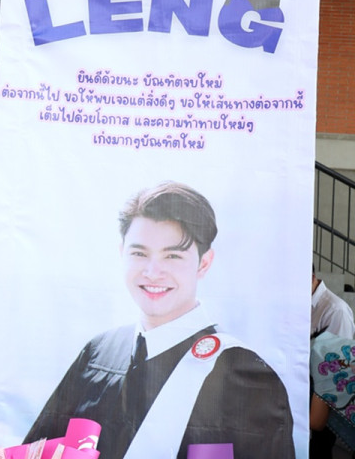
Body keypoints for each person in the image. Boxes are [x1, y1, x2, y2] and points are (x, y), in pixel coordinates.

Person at [24, 181, 295, 458]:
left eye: (172, 256)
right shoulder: (99, 352)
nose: (153, 272)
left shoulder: (245, 376)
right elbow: (38, 449)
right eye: (139, 253)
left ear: (204, 263)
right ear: (122, 253)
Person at [309, 264, 355, 457]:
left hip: (325, 399)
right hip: (314, 391)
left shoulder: (336, 311)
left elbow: (337, 369)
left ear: (311, 278)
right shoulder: (302, 305)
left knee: (319, 448)